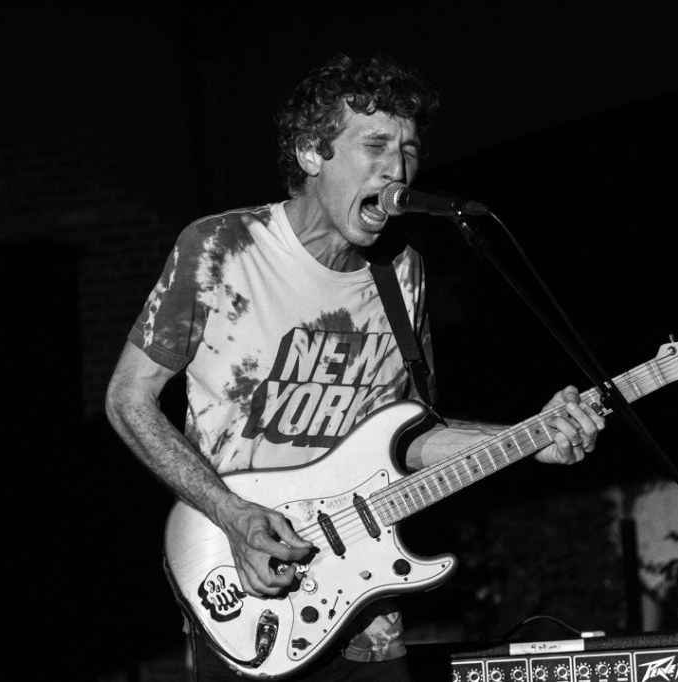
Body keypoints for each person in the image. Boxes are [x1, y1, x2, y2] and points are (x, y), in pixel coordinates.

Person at [105, 53, 605, 681]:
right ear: (311, 153)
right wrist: (230, 514)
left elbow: (410, 437)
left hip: (368, 614)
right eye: (375, 145)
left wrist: (528, 439)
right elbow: (128, 398)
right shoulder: (221, 248)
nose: (398, 168)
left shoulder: (401, 271)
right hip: (247, 586)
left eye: (409, 149)